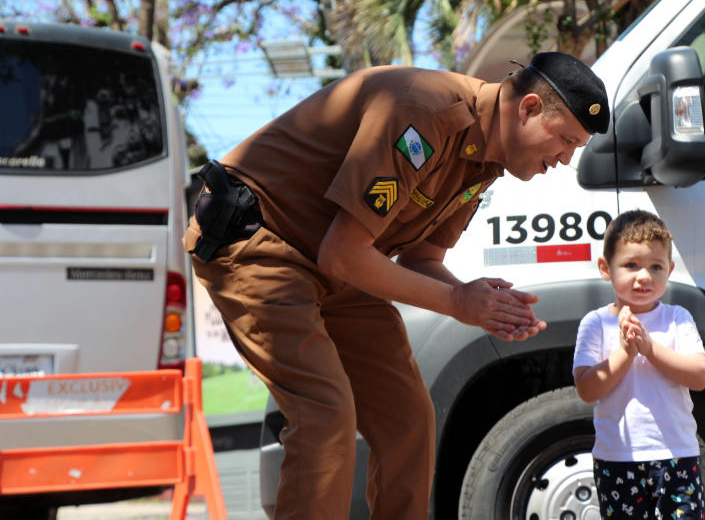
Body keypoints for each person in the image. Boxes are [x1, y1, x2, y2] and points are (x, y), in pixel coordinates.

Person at [183, 52, 609, 520]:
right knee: (323, 413)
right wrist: (456, 302)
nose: (566, 158)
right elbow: (343, 252)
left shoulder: (485, 161)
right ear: (528, 108)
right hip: (262, 242)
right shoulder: (425, 112)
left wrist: (477, 299)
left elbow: (420, 258)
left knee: (408, 419)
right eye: (566, 140)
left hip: (336, 266)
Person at [572, 210, 705, 519]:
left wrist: (649, 348)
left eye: (655, 266)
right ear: (606, 268)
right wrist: (625, 352)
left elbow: (699, 376)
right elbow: (587, 389)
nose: (644, 276)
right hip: (617, 458)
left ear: (670, 270)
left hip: (677, 455)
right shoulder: (596, 323)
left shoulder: (677, 318)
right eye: (631, 265)